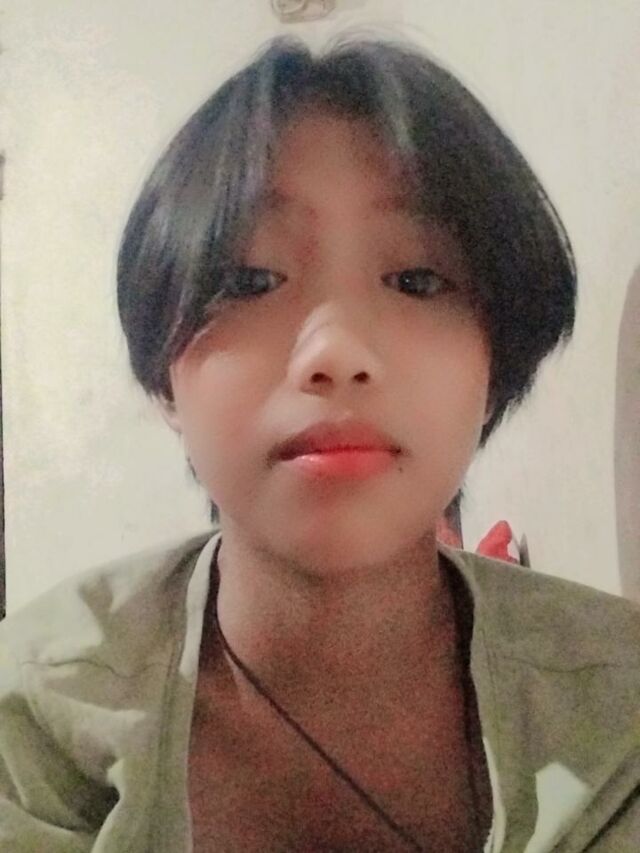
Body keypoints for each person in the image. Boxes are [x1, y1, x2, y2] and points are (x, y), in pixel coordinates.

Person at [0, 33, 638, 853]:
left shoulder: (619, 710)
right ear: (163, 374)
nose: (335, 352)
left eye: (417, 279)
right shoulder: (34, 719)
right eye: (250, 280)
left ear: (495, 361)